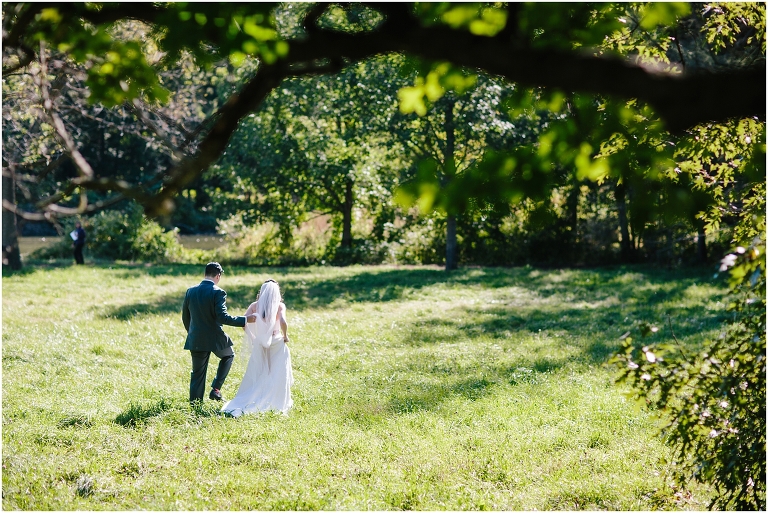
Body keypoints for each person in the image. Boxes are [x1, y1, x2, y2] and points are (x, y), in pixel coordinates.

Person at [182, 262, 256, 403]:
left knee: (197, 374)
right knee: (228, 355)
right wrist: (246, 319)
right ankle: (216, 389)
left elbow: (185, 317)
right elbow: (223, 317)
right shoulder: (218, 292)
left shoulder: (190, 291)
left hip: (196, 338)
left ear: (205, 274)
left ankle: (195, 406)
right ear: (218, 276)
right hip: (215, 338)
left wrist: (192, 333)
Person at [222, 279, 294, 416]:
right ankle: (277, 400)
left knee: (260, 371)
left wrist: (252, 337)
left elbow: (243, 322)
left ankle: (255, 397)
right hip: (276, 341)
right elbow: (283, 321)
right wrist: (285, 336)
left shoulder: (255, 306)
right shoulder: (279, 306)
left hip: (260, 341)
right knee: (278, 371)